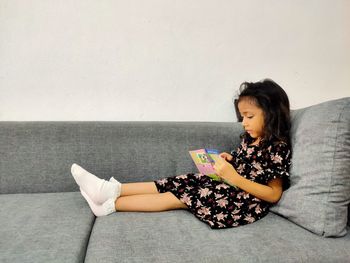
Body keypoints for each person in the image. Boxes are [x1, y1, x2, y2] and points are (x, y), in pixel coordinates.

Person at [71, 78, 292, 229]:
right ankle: (110, 189)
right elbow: (248, 162)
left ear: (271, 113)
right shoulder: (251, 138)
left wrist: (234, 177)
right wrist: (231, 159)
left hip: (243, 203)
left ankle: (109, 206)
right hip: (231, 185)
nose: (243, 123)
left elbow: (273, 194)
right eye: (242, 117)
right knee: (180, 180)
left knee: (183, 195)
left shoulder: (277, 147)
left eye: (249, 117)